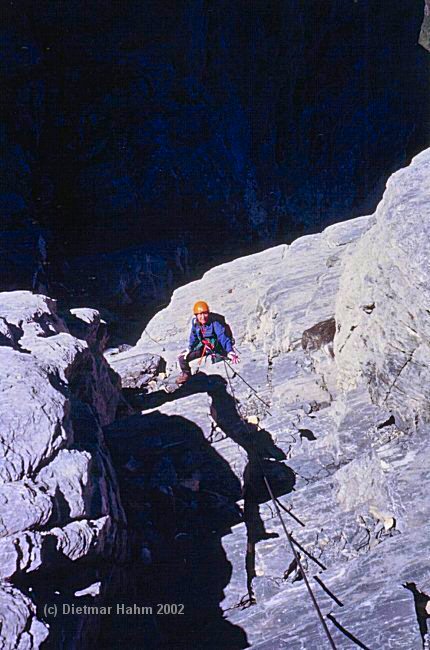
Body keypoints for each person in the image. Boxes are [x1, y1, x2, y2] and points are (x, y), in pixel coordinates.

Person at [176, 300, 240, 384]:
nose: (203, 317)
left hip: (215, 347)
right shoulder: (195, 323)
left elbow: (222, 337)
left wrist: (230, 351)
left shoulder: (215, 323)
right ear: (196, 315)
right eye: (200, 314)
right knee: (182, 358)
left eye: (205, 313)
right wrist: (189, 348)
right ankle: (186, 374)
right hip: (203, 346)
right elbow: (193, 336)